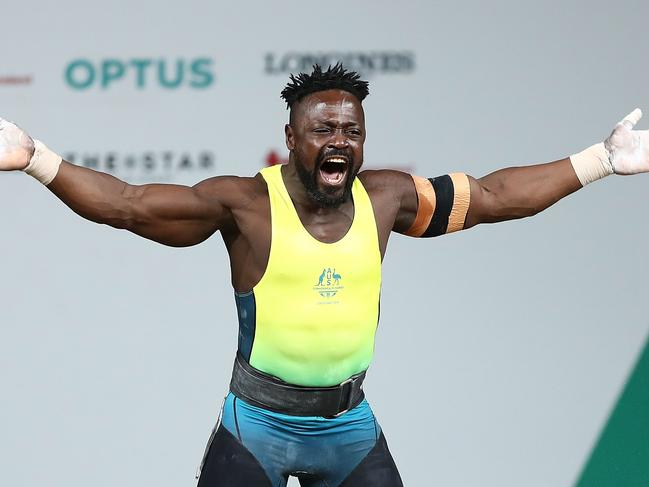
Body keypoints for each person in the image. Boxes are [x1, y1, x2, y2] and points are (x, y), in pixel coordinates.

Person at [1, 63, 647, 487]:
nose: (338, 139)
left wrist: (600, 159)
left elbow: (493, 195)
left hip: (348, 429)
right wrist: (35, 158)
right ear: (290, 135)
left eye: (351, 130)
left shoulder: (387, 197)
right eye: (322, 128)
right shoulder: (247, 204)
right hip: (254, 428)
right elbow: (128, 205)